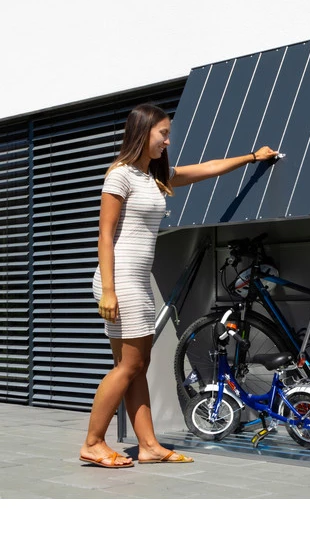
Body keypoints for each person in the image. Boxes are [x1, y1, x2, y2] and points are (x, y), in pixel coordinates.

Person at [79, 103, 278, 467]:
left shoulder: (154, 177)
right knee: (128, 366)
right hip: (119, 280)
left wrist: (252, 157)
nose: (168, 141)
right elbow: (104, 236)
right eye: (163, 134)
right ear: (143, 133)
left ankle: (149, 445)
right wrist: (108, 290)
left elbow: (207, 169)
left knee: (136, 365)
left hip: (136, 281)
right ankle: (93, 442)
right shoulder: (120, 175)